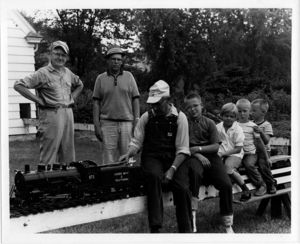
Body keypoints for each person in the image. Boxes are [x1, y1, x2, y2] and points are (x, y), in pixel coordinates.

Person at [119, 80, 193, 233]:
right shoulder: (146, 117)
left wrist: (172, 170)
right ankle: (156, 226)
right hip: (152, 156)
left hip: (175, 158)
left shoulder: (180, 118)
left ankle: (186, 230)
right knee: (153, 176)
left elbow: (183, 149)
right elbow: (137, 142)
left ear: (168, 100)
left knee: (182, 187)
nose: (154, 107)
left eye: (157, 104)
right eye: (152, 104)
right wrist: (129, 153)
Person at [14, 40, 84, 165]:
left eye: (63, 55)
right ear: (50, 54)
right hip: (51, 114)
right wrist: (38, 100)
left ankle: (66, 182)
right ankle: (45, 182)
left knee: (68, 154)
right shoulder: (42, 73)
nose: (60, 57)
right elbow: (18, 85)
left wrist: (71, 99)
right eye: (57, 53)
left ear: (66, 57)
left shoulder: (68, 72)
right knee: (49, 154)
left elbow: (80, 85)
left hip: (68, 113)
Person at [184, 92, 234, 233]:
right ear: (185, 109)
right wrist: (198, 155)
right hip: (193, 157)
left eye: (195, 106)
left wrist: (199, 149)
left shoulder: (209, 123)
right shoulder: (183, 124)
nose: (193, 109)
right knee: (194, 173)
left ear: (202, 106)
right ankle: (192, 219)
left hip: (211, 156)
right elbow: (184, 146)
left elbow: (216, 146)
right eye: (189, 107)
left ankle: (228, 223)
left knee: (225, 184)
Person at [93, 46, 140, 165]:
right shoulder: (100, 78)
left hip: (126, 123)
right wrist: (96, 125)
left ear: (122, 61)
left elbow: (135, 99)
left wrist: (136, 121)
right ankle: (108, 183)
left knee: (127, 158)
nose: (116, 62)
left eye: (119, 59)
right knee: (108, 160)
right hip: (107, 123)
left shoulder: (129, 76)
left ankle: (127, 183)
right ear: (108, 60)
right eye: (113, 59)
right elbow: (96, 103)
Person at [216, 103, 251, 201]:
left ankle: (245, 189)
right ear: (221, 116)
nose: (229, 118)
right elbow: (215, 142)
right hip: (221, 153)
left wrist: (223, 154)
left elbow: (238, 148)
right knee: (217, 169)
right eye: (226, 116)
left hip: (235, 154)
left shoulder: (237, 129)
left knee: (228, 167)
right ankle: (227, 193)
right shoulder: (218, 127)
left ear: (236, 118)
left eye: (232, 116)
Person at [236, 98, 270, 196]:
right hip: (238, 153)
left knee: (249, 164)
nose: (242, 114)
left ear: (249, 112)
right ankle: (238, 188)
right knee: (231, 165)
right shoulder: (235, 125)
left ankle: (261, 185)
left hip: (251, 153)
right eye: (239, 111)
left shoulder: (253, 126)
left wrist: (265, 157)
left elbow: (259, 142)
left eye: (244, 111)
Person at [251, 99, 277, 194]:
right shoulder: (251, 123)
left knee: (263, 165)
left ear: (263, 112)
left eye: (254, 110)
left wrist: (261, 132)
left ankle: (271, 184)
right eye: (251, 110)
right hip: (253, 151)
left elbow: (266, 141)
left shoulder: (266, 125)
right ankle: (259, 184)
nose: (251, 112)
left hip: (264, 152)